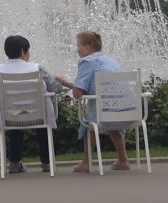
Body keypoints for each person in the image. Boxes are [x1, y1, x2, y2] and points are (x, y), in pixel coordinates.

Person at [0, 34, 62, 174]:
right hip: (38, 116)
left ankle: (14, 162)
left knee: (14, 116)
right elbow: (54, 88)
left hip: (8, 117)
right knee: (42, 121)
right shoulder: (37, 68)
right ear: (23, 52)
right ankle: (47, 163)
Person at [53, 31, 130, 172]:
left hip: (104, 112)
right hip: (127, 110)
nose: (77, 50)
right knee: (111, 123)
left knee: (90, 124)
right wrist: (66, 83)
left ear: (87, 47)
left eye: (79, 46)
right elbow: (88, 88)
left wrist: (70, 88)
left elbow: (78, 94)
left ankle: (86, 163)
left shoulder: (86, 62)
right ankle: (123, 160)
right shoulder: (110, 60)